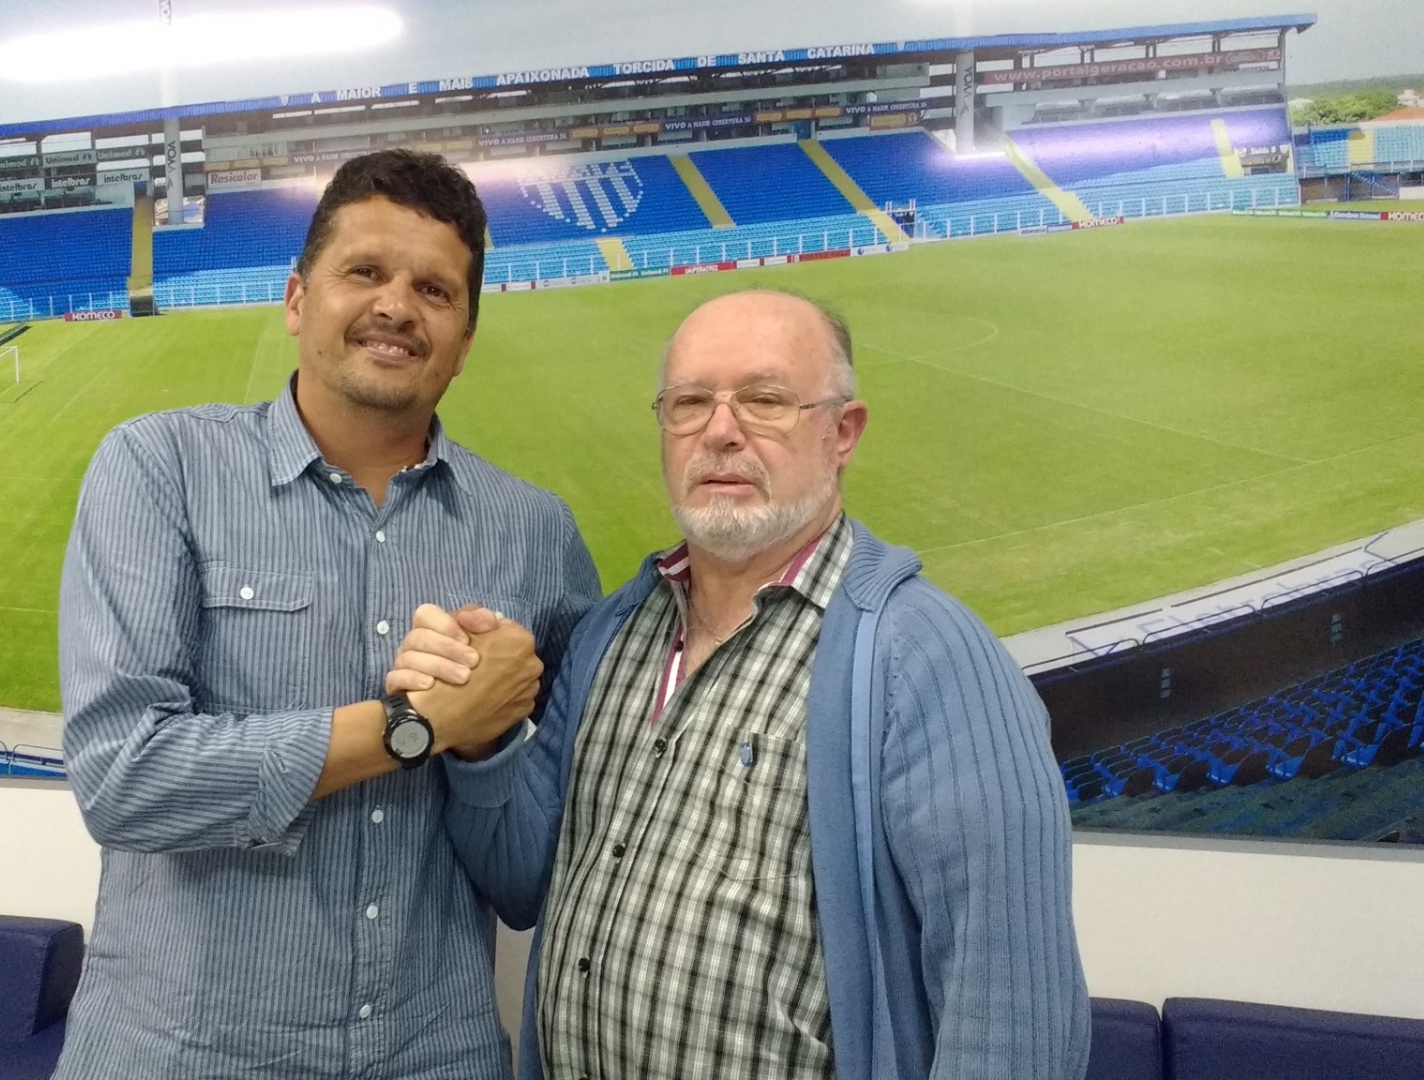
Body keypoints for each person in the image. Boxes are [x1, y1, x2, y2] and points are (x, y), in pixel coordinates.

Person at [392, 289, 1090, 1079]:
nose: (720, 431)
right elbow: (522, 885)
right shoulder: (611, 636)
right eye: (690, 403)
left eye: (764, 400)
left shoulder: (929, 659)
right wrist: (481, 737)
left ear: (842, 433)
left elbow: (1012, 1019)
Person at [54, 149, 603, 1080]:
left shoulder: (535, 534)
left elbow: (526, 883)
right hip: (181, 1055)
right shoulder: (160, 470)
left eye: (435, 289)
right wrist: (410, 728)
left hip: (436, 1053)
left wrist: (483, 745)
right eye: (365, 272)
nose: (397, 305)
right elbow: (122, 778)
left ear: (465, 340)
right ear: (298, 299)